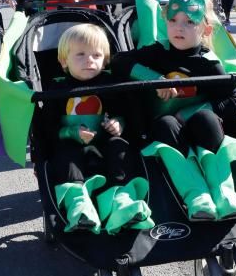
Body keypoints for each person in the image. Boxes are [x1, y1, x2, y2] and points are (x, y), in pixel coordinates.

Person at [112, 0, 236, 221]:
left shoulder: (209, 63)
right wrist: (155, 79)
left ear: (206, 30)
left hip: (202, 129)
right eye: (173, 20)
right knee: (165, 123)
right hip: (166, 131)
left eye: (189, 22)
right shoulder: (158, 51)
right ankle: (197, 196)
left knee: (206, 118)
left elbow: (234, 101)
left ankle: (224, 193)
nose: (179, 28)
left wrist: (190, 112)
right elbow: (118, 61)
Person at [38, 24, 152, 234]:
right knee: (65, 154)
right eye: (80, 54)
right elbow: (48, 128)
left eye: (96, 55)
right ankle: (79, 207)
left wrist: (118, 123)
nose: (89, 60)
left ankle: (121, 201)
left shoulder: (112, 85)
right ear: (64, 61)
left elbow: (124, 113)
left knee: (120, 146)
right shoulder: (57, 89)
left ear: (105, 60)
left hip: (105, 145)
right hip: (72, 147)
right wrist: (71, 132)